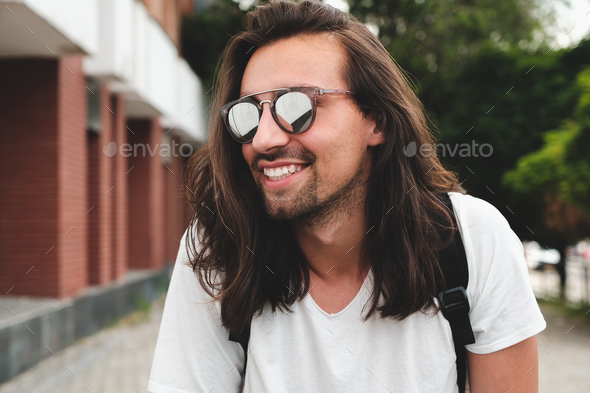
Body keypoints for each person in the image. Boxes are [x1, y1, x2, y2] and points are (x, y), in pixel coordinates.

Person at [148, 1, 546, 392]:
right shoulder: (220, 247)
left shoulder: (473, 239)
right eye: (249, 113)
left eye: (297, 106)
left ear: (377, 121)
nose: (263, 139)